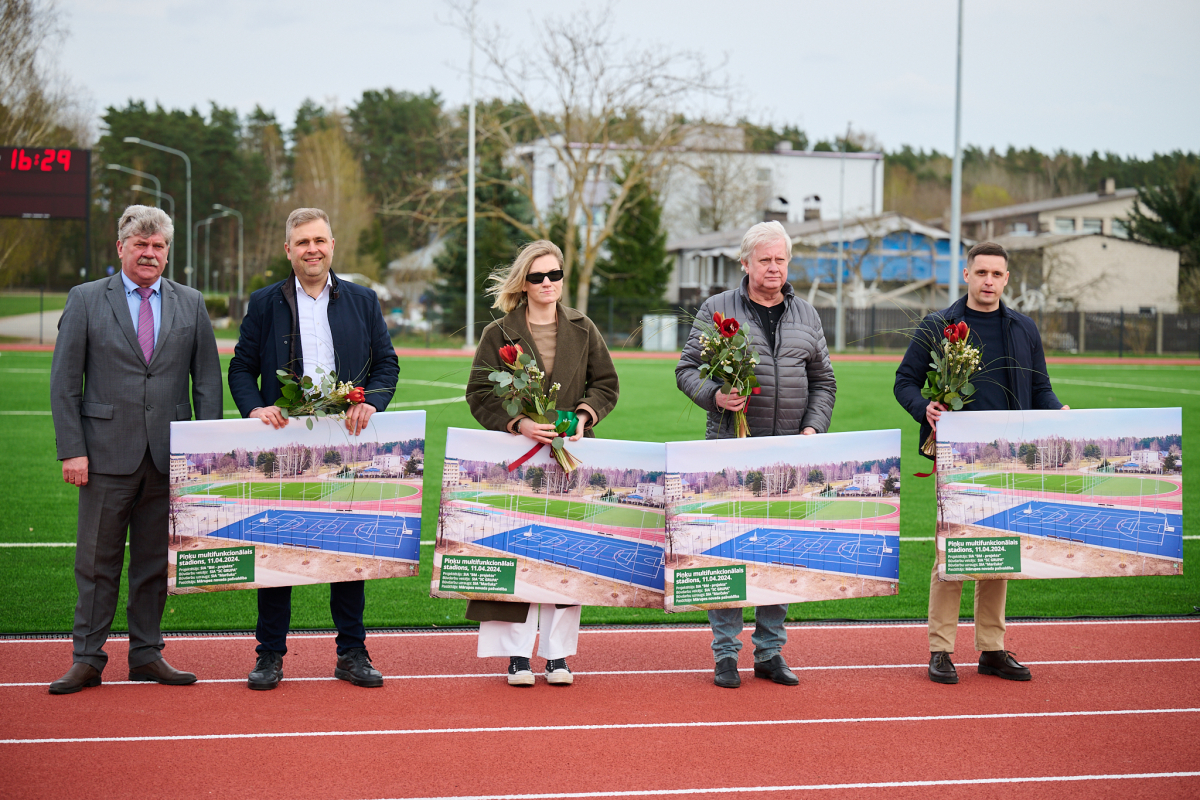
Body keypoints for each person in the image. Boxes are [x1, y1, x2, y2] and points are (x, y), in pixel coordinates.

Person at [48, 205, 222, 694]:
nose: (149, 253)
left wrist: (203, 454)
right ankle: (88, 658)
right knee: (97, 561)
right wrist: (71, 450)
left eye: (159, 246)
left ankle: (146, 654)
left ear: (168, 252)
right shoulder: (84, 299)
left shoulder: (191, 302)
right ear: (121, 247)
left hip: (170, 457)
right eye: (140, 244)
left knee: (153, 562)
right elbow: (65, 383)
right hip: (104, 454)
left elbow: (206, 381)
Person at [228, 207, 399, 691]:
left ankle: (352, 652)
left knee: (347, 550)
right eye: (302, 242)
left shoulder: (363, 301)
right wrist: (255, 409)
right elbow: (241, 368)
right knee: (278, 547)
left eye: (320, 240)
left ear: (332, 245)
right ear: (288, 249)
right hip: (284, 443)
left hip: (345, 445)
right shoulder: (265, 302)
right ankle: (270, 655)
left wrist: (372, 404)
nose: (312, 249)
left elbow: (386, 365)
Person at [894, 240, 1068, 685]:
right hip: (955, 458)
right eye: (982, 272)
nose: (989, 280)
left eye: (997, 274)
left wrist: (1060, 412)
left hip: (1010, 457)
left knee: (1000, 550)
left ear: (1007, 279)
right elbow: (905, 382)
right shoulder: (939, 325)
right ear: (967, 275)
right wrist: (925, 408)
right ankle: (941, 650)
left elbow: (1041, 389)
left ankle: (992, 649)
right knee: (952, 552)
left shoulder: (1023, 328)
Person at [676, 220, 837, 689]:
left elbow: (824, 381)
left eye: (780, 260)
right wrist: (715, 396)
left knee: (779, 554)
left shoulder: (806, 314)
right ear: (745, 263)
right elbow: (687, 369)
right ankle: (725, 654)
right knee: (727, 551)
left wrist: (813, 427)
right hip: (730, 451)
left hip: (789, 454)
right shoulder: (717, 308)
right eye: (764, 260)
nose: (773, 268)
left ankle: (770, 651)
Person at [464, 240, 619, 686]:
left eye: (555, 275)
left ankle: (557, 656)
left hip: (572, 457)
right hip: (518, 457)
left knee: (565, 552)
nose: (548, 283)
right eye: (538, 277)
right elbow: (479, 394)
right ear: (524, 283)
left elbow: (606, 385)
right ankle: (515, 656)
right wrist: (517, 424)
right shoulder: (499, 334)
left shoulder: (583, 327)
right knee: (515, 547)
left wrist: (586, 417)